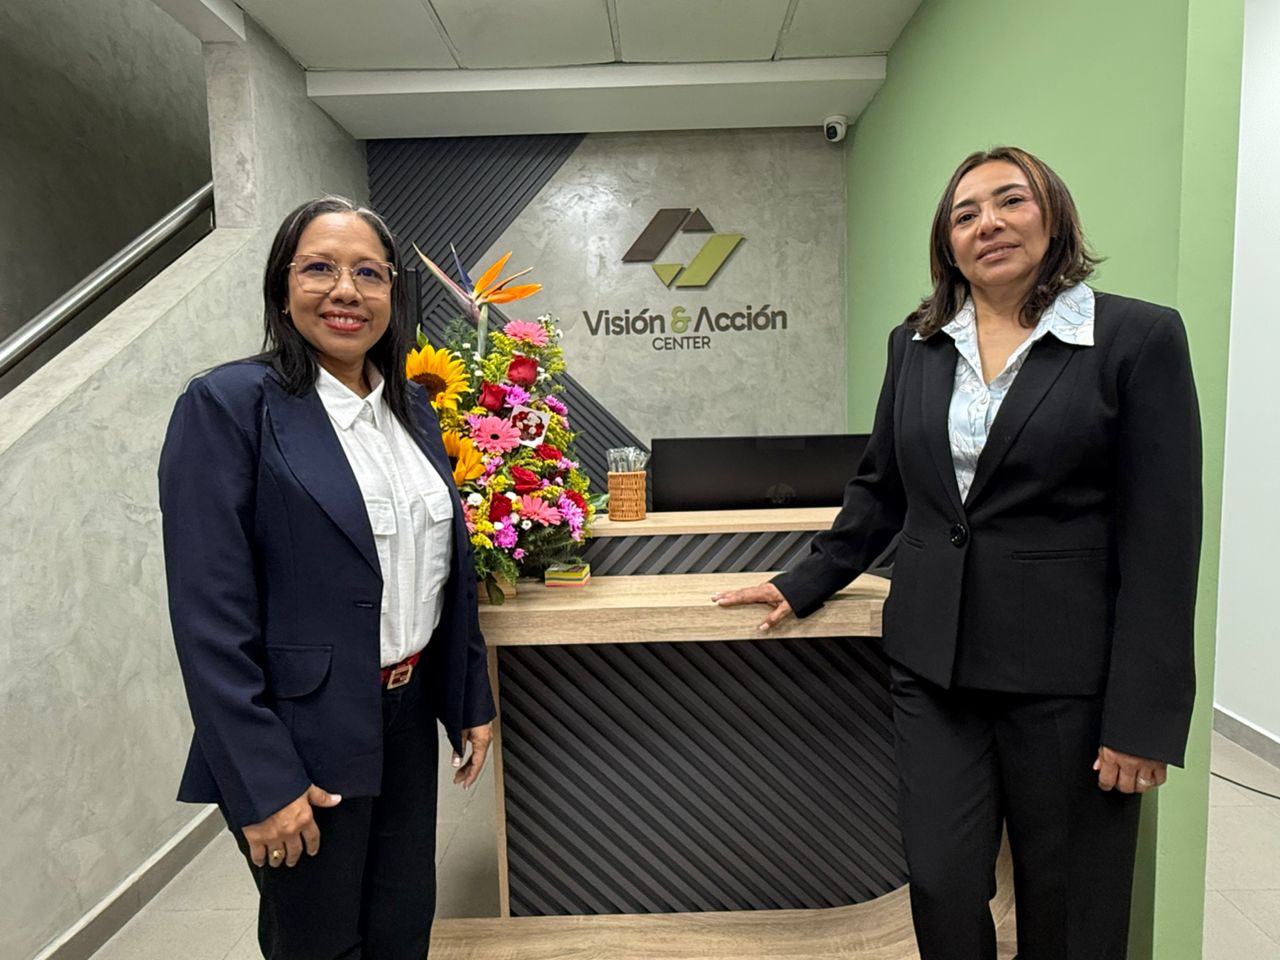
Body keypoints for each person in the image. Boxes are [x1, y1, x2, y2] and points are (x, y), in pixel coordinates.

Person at [714, 147, 1201, 959]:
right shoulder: (917, 343)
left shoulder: (1135, 338)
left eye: (1011, 201)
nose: (989, 224)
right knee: (940, 885)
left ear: (1054, 215)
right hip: (934, 668)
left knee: (1070, 906)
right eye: (965, 214)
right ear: (947, 242)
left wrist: (1143, 717)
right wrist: (804, 582)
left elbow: (1163, 538)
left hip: (1068, 678)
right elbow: (883, 488)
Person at [159, 196, 495, 960]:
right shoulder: (229, 406)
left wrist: (467, 695)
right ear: (284, 288)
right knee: (319, 944)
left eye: (369, 273)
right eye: (319, 268)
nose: (346, 290)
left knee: (402, 929)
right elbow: (209, 618)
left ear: (393, 294)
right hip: (301, 731)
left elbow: (443, 568)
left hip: (406, 716)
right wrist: (261, 781)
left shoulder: (411, 411)